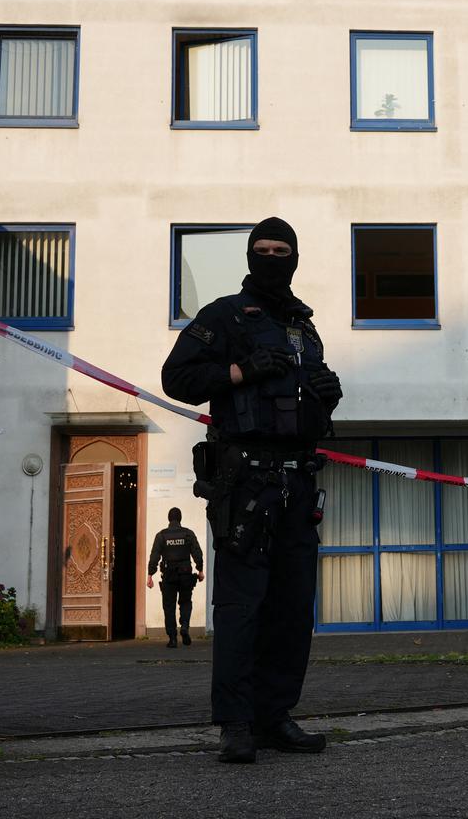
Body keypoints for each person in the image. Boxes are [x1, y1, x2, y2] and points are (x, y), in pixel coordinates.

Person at [161, 217, 343, 764]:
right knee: (242, 607)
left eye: (281, 249)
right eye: (261, 250)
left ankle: (275, 716)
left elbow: (302, 405)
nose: (271, 257)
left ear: (294, 257)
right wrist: (239, 371)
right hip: (247, 482)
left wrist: (327, 397)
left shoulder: (304, 327)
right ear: (249, 255)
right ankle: (236, 725)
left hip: (297, 480)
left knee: (292, 608)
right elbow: (177, 379)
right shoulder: (221, 315)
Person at [146, 507, 204, 648]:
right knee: (185, 602)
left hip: (168, 575)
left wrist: (150, 574)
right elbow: (197, 552)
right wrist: (200, 570)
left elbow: (154, 556)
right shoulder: (188, 534)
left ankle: (172, 638)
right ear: (180, 519)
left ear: (169, 519)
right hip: (185, 573)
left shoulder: (161, 536)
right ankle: (184, 626)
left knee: (169, 606)